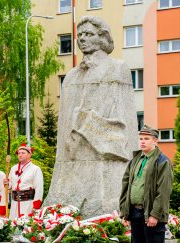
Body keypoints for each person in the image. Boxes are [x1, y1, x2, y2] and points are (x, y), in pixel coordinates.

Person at [44, 16, 138, 217]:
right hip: (72, 157)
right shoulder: (71, 76)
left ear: (102, 37)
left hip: (105, 160)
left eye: (88, 34)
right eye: (79, 35)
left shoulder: (117, 68)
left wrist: (86, 122)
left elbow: (123, 120)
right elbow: (64, 125)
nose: (82, 39)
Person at [119, 125, 173, 243]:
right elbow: (126, 185)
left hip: (151, 214)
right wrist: (125, 211)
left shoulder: (162, 161)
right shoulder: (135, 160)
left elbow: (163, 191)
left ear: (155, 140)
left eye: (146, 139)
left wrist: (155, 214)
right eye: (141, 138)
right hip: (135, 212)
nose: (142, 141)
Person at [7, 143, 43, 220]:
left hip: (28, 204)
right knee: (13, 226)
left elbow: (39, 188)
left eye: (23, 153)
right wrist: (6, 183)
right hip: (14, 205)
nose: (20, 155)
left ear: (30, 155)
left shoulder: (35, 169)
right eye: (19, 153)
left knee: (26, 227)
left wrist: (36, 206)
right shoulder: (13, 168)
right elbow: (9, 185)